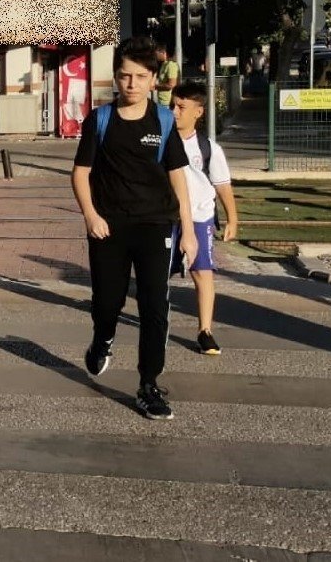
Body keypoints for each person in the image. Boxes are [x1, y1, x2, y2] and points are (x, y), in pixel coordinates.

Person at [72, 36, 198, 421]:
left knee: (154, 306)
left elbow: (178, 176)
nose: (131, 84)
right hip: (108, 226)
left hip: (155, 223)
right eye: (125, 76)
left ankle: (148, 384)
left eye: (140, 77)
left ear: (154, 79)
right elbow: (80, 173)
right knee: (107, 303)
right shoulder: (101, 119)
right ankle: (102, 340)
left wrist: (188, 231)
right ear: (115, 76)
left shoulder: (162, 120)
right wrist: (92, 216)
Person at [169, 82, 239, 355]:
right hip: (165, 218)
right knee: (156, 273)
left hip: (199, 218)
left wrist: (233, 219)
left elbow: (223, 185)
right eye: (172, 105)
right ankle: (157, 323)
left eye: (181, 107)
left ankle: (205, 330)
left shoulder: (209, 149)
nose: (175, 111)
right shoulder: (160, 141)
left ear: (198, 112)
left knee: (202, 272)